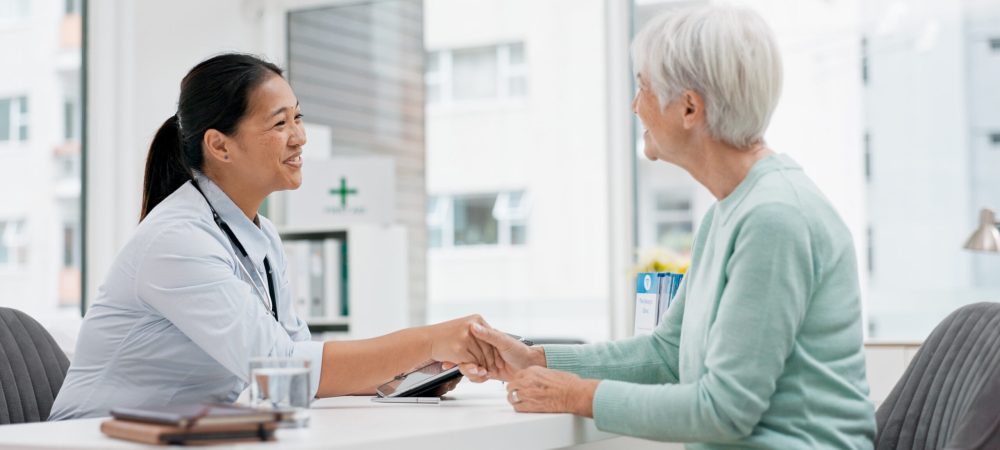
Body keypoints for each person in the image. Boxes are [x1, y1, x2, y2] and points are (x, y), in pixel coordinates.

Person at [459, 5, 877, 448]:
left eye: (643, 88)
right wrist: (534, 359)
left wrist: (577, 395)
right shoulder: (731, 211)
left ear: (690, 108)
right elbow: (667, 355)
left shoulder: (775, 218)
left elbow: (724, 412)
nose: (634, 106)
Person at [49, 53, 494, 420]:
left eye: (298, 118)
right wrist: (428, 340)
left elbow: (296, 357)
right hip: (93, 439)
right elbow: (279, 370)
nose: (299, 138)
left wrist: (404, 373)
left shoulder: (261, 238)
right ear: (220, 146)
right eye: (280, 124)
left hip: (180, 435)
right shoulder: (176, 240)